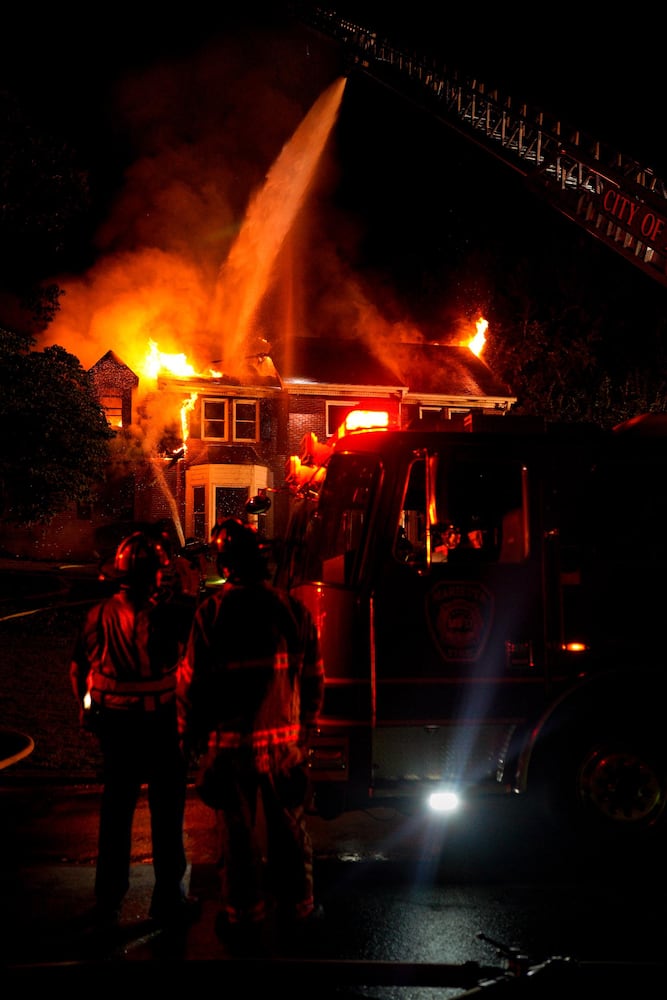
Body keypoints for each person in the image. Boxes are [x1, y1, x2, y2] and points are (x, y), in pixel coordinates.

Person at [177, 517, 325, 949]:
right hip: (283, 747)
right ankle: (299, 912)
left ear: (224, 564)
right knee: (290, 831)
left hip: (230, 750)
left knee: (236, 838)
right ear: (260, 559)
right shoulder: (291, 609)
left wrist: (188, 738)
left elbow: (191, 682)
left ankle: (243, 919)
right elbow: (314, 678)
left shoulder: (212, 613)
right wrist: (306, 733)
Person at [70, 531, 199, 929]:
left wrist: (85, 710)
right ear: (154, 577)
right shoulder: (169, 615)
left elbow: (79, 670)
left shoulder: (97, 615)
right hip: (159, 724)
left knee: (116, 813)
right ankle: (167, 898)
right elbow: (188, 650)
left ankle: (108, 901)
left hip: (115, 727)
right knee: (167, 812)